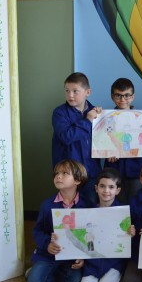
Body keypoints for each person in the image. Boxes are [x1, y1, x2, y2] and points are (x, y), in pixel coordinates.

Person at [27, 159, 88, 282]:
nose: (58, 176)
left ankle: (46, 273)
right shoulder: (47, 205)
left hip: (70, 257)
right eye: (56, 174)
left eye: (65, 173)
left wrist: (83, 257)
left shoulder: (86, 205)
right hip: (49, 255)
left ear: (77, 180)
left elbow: (90, 234)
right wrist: (48, 243)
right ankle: (39, 272)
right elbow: (37, 230)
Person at [78, 168, 136, 282]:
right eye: (102, 186)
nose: (106, 191)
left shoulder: (123, 213)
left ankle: (118, 276)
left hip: (114, 261)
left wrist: (130, 234)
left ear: (117, 190)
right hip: (93, 262)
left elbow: (125, 241)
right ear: (96, 188)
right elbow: (84, 238)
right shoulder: (89, 212)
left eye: (111, 187)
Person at [51, 72, 102, 205]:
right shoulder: (59, 113)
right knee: (69, 207)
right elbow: (66, 136)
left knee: (91, 205)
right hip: (68, 174)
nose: (70, 95)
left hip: (92, 172)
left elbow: (104, 141)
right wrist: (87, 121)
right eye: (67, 91)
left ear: (88, 92)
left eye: (75, 91)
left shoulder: (97, 113)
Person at [106, 78, 142, 203]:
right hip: (113, 169)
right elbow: (103, 140)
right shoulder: (106, 118)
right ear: (112, 97)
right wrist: (107, 151)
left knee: (135, 203)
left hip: (136, 169)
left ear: (132, 97)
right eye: (118, 95)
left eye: (127, 96)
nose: (123, 99)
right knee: (115, 205)